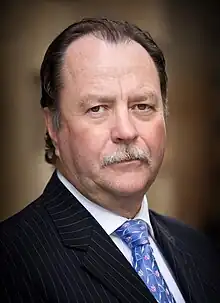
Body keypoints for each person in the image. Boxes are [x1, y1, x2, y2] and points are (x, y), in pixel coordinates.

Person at [0, 17, 219, 303]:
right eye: (98, 108)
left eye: (142, 106)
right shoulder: (11, 263)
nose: (126, 131)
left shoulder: (199, 248)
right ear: (53, 126)